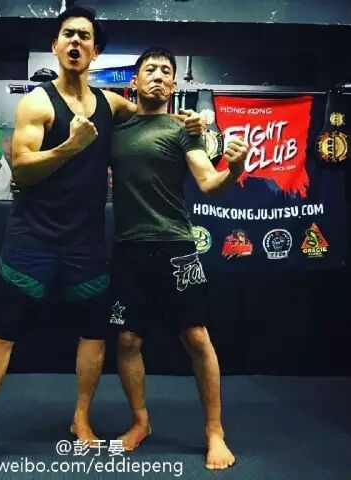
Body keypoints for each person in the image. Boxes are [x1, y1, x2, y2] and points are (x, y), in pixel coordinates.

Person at [0, 7, 206, 474]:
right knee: (4, 331)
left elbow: (152, 112)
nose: (75, 42)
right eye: (67, 34)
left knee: (94, 333)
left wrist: (194, 124)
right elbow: (21, 168)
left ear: (95, 51)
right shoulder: (38, 103)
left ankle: (81, 418)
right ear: (55, 45)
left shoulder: (112, 104)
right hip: (33, 237)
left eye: (84, 37)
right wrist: (71, 145)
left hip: (86, 243)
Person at [109, 47, 248, 470]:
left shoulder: (183, 129)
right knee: (127, 340)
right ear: (134, 80)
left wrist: (235, 169)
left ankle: (214, 432)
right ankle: (140, 422)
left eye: (166, 71)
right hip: (130, 247)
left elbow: (208, 182)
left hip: (175, 246)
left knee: (197, 338)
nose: (157, 75)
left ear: (173, 85)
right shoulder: (117, 127)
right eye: (149, 69)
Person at [0, 131, 14, 200]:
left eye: (13, 140)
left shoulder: (25, 165)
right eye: (6, 140)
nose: (10, 144)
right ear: (1, 143)